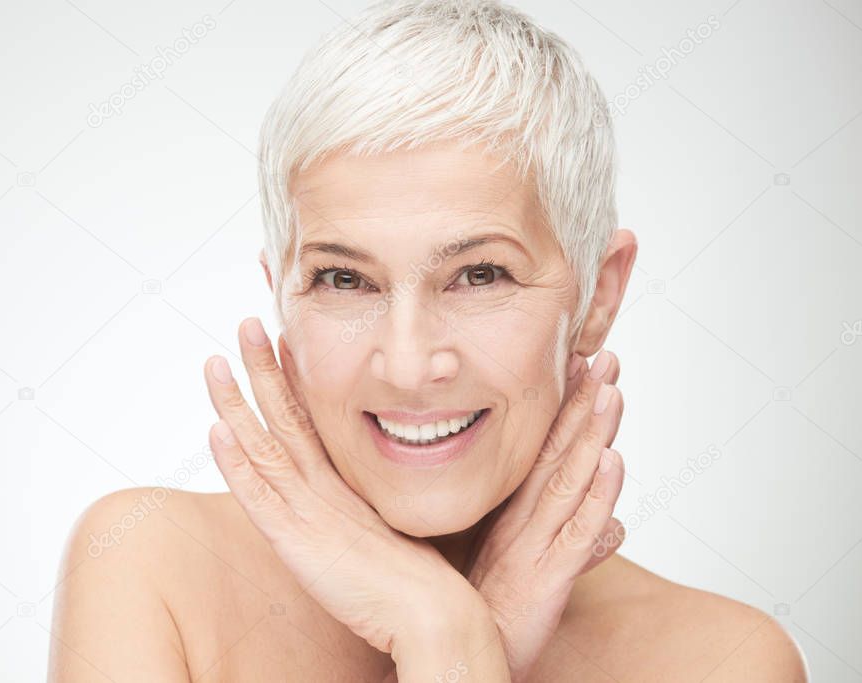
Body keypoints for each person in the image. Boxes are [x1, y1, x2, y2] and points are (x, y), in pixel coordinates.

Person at [47, 1, 808, 680]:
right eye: (345, 281)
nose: (409, 364)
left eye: (479, 274)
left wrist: (450, 647)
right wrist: (449, 627)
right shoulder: (149, 568)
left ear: (597, 293)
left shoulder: (720, 661)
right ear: (281, 293)